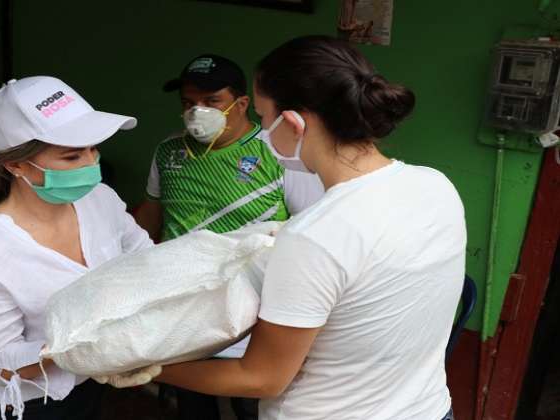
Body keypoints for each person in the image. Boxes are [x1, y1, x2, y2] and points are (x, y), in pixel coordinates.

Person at [104, 35, 465, 420]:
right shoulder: (436, 185)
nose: (261, 131)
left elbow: (261, 378)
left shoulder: (314, 236)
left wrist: (152, 367)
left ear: (293, 123)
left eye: (261, 116)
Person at [0, 76, 153, 420]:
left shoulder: (99, 200)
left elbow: (145, 259)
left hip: (86, 391)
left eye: (93, 148)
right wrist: (90, 347)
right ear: (16, 165)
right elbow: (1, 365)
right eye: (71, 156)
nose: (90, 164)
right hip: (24, 404)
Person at [135, 54, 325, 420]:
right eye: (189, 103)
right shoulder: (169, 152)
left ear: (241, 104)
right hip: (184, 309)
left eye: (211, 102)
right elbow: (149, 219)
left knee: (252, 406)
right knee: (193, 404)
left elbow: (309, 231)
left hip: (255, 311)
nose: (197, 112)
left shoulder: (279, 153)